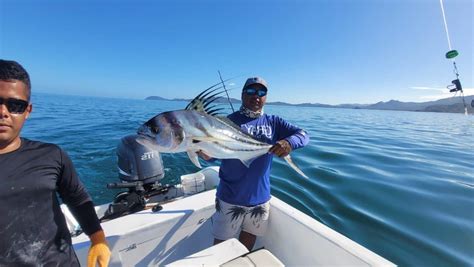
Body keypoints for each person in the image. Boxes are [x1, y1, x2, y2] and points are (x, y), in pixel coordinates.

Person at [0, 59, 111, 266]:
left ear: (27, 111)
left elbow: (77, 199)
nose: (3, 112)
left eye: (15, 105)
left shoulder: (52, 155)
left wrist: (98, 240)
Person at [199, 77, 309, 251]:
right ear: (243, 94)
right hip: (229, 197)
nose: (256, 96)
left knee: (249, 239)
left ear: (266, 97)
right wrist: (204, 153)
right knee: (220, 246)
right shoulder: (225, 122)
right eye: (251, 91)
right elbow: (215, 155)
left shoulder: (274, 122)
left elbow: (303, 135)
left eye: (261, 92)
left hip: (260, 198)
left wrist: (289, 143)